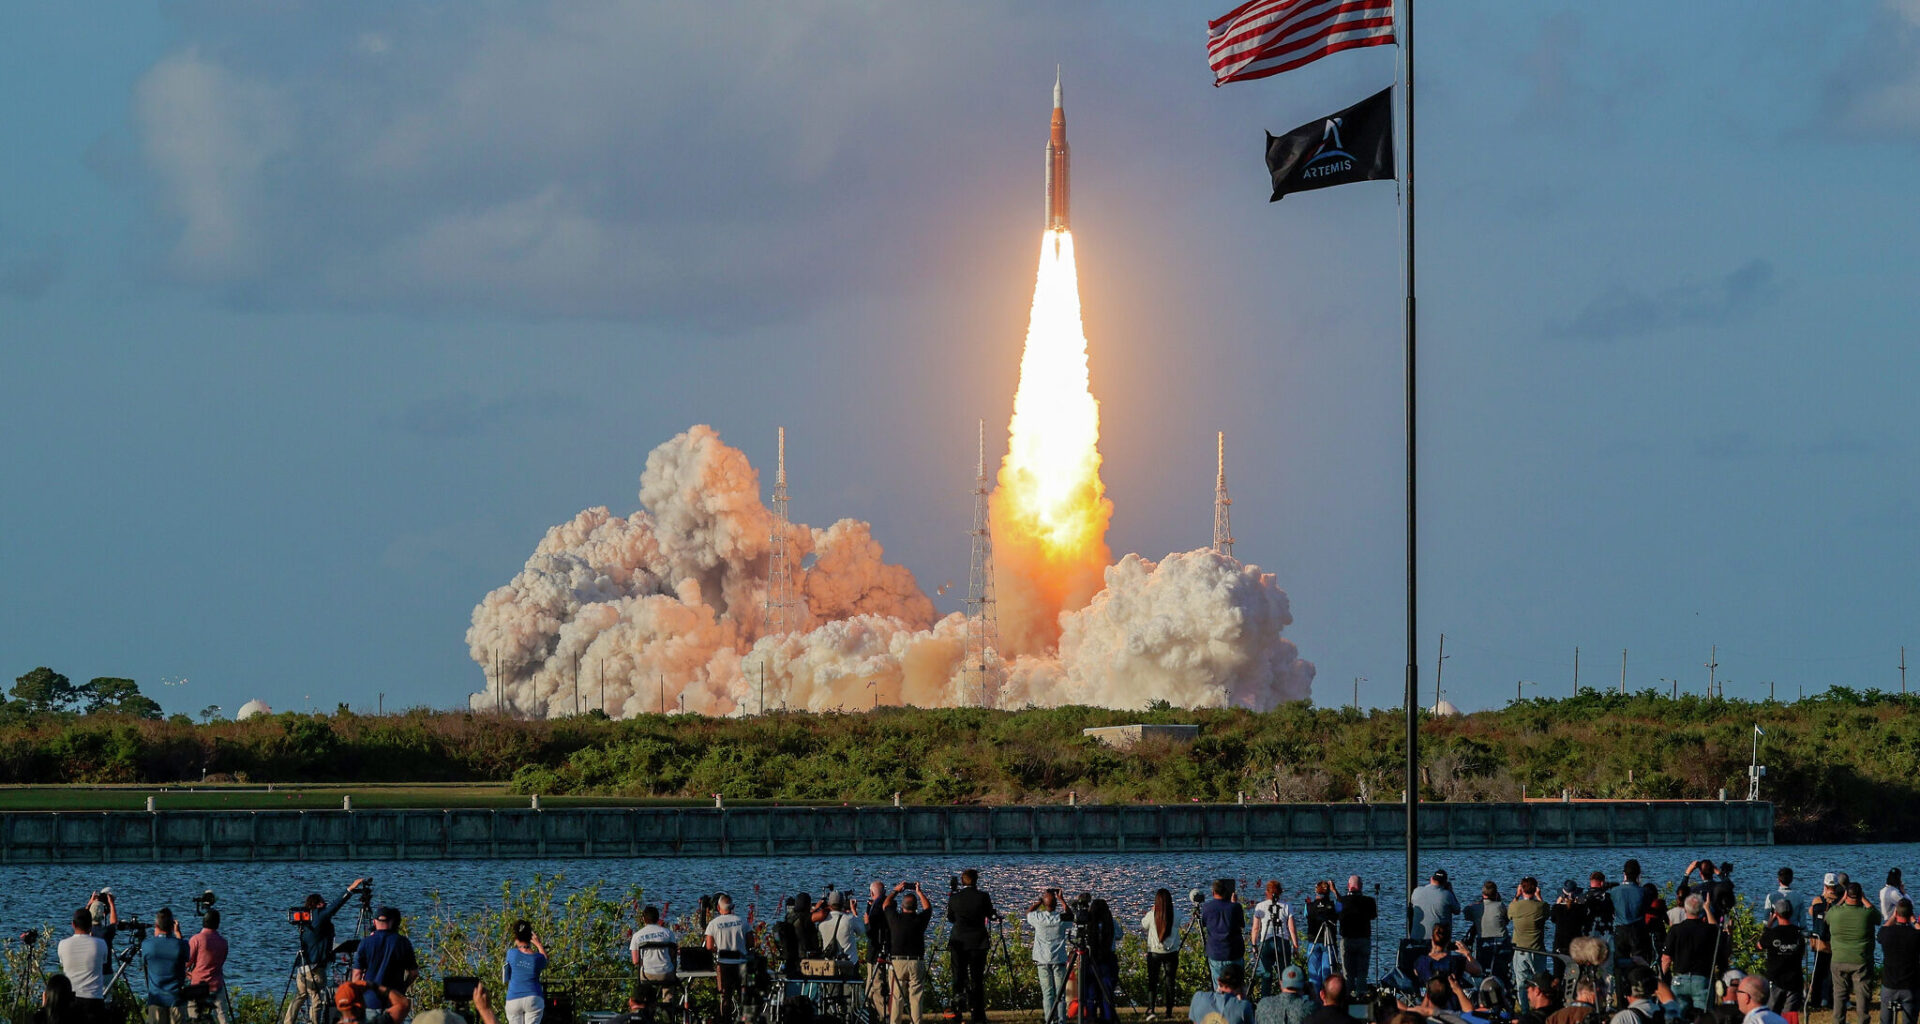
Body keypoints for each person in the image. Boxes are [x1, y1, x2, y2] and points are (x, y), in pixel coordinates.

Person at [286, 878, 370, 1024]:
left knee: (300, 996)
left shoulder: (307, 920)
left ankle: (287, 1022)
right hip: (315, 968)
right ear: (317, 904)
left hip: (302, 966)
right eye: (322, 902)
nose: (324, 904)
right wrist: (351, 888)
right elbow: (336, 905)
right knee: (317, 999)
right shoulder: (319, 915)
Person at [354, 907, 420, 1024]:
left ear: (374, 922)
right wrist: (403, 987)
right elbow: (414, 973)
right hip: (394, 1000)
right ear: (392, 922)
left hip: (370, 1000)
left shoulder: (365, 942)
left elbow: (357, 975)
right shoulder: (402, 942)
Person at [1829, 881, 1883, 1024]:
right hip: (1861, 960)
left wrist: (1841, 899)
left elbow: (1828, 916)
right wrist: (1865, 899)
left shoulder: (1835, 913)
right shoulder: (1867, 914)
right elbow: (1879, 918)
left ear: (1846, 895)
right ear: (1860, 896)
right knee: (1862, 995)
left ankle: (1838, 1021)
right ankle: (1863, 1021)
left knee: (1839, 994)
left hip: (1839, 959)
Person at [948, 869, 997, 1024]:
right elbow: (990, 914)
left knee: (958, 977)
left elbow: (950, 918)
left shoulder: (955, 898)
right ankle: (978, 1014)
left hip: (959, 942)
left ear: (962, 881)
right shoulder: (983, 897)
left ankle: (956, 1011)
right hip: (978, 942)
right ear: (976, 880)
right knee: (977, 979)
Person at [882, 883, 933, 1024]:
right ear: (915, 907)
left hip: (897, 962)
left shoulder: (895, 919)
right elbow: (928, 908)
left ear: (902, 906)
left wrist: (896, 891)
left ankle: (895, 1022)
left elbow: (885, 905)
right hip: (916, 961)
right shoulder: (920, 920)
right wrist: (919, 892)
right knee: (916, 997)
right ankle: (916, 1022)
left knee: (897, 996)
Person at [1663, 896, 1719, 1014]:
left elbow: (1666, 958)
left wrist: (1662, 978)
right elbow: (1717, 931)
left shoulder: (1675, 930)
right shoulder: (1709, 930)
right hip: (1701, 979)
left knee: (1678, 1017)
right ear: (1701, 911)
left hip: (1679, 979)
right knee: (1704, 1018)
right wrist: (1707, 909)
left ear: (1684, 909)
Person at [704, 894, 753, 1024]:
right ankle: (745, 1019)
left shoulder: (713, 924)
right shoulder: (743, 922)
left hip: (724, 965)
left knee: (725, 996)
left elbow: (709, 946)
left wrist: (718, 949)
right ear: (733, 907)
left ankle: (726, 1020)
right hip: (741, 964)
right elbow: (751, 944)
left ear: (719, 908)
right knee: (743, 995)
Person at [1411, 924, 1482, 1011]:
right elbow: (1478, 970)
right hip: (1453, 1007)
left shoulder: (1421, 962)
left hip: (1430, 1006)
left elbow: (1416, 972)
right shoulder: (1456, 961)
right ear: (1448, 941)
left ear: (1432, 939)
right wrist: (1467, 953)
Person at [57, 909, 110, 1024]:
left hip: (70, 999)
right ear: (90, 925)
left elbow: (63, 963)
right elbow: (103, 962)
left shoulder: (62, 944)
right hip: (94, 1000)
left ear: (73, 924)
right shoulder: (101, 944)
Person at [1757, 899, 1805, 1018]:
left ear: (1776, 914)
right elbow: (1801, 953)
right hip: (1795, 981)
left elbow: (1759, 945)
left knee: (1771, 1016)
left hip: (1776, 981)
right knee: (1789, 1016)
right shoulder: (1798, 935)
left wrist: (1770, 922)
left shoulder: (1772, 933)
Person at [1142, 888, 1184, 1023]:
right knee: (1170, 982)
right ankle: (1169, 1011)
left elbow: (1144, 925)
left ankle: (1151, 1008)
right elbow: (1178, 923)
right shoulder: (1176, 914)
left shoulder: (1152, 914)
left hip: (1154, 952)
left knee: (1153, 981)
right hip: (1171, 952)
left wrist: (1151, 910)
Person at [627, 905, 676, 1020]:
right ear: (658, 918)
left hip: (647, 975)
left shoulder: (637, 936)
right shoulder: (668, 933)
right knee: (668, 995)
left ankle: (645, 1015)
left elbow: (635, 961)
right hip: (666, 973)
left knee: (644, 990)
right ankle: (668, 1016)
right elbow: (673, 954)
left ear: (644, 919)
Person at [143, 909, 190, 1024]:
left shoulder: (147, 945)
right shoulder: (181, 945)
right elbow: (186, 957)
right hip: (176, 999)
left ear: (156, 925)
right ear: (172, 926)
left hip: (156, 999)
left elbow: (144, 961)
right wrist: (178, 933)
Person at [1030, 890, 1070, 1024]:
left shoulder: (1038, 918)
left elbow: (1028, 913)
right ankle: (1061, 1020)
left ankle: (1049, 1020)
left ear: (1045, 904)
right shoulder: (1061, 919)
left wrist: (1039, 902)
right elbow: (1070, 916)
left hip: (1042, 960)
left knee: (1047, 993)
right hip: (1058, 959)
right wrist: (1062, 900)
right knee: (1060, 993)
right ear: (1055, 904)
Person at [1252, 882, 1298, 996]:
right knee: (1284, 975)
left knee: (1266, 975)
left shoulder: (1260, 906)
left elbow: (1255, 928)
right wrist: (1295, 947)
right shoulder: (1287, 906)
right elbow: (1291, 929)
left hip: (1266, 942)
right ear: (1280, 892)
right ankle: (1286, 998)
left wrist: (1254, 945)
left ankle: (1265, 1000)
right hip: (1282, 941)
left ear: (1267, 892)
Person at [185, 908, 229, 1024]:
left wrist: (189, 973)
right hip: (216, 985)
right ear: (217, 924)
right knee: (222, 1015)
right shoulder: (223, 942)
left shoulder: (196, 939)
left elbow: (187, 962)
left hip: (198, 986)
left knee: (193, 1016)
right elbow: (221, 962)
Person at [1200, 880, 1247, 988]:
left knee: (1219, 987)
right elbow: (1241, 924)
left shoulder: (1207, 907)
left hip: (1215, 952)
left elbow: (1204, 923)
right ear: (1227, 892)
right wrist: (1234, 903)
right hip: (1233, 952)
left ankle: (1221, 1003)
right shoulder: (1235, 907)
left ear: (1213, 892)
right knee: (1237, 986)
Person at [1880, 899, 1919, 1024]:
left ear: (1896, 913)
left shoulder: (1886, 933)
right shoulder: (1915, 935)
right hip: (1910, 986)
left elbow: (1882, 929)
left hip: (1889, 985)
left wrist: (1892, 917)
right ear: (1910, 914)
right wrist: (1914, 921)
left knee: (1885, 1021)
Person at [1510, 877, 1550, 998]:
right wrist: (1539, 896)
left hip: (1520, 950)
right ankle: (1540, 1006)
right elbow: (1547, 911)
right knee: (1540, 982)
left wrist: (1517, 896)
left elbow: (1509, 914)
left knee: (1521, 983)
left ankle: (1524, 1010)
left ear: (1522, 889)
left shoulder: (1515, 906)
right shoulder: (1541, 906)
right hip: (1537, 950)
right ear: (1536, 889)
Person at [502, 921, 547, 1024]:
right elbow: (545, 960)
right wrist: (539, 944)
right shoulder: (538, 958)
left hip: (514, 998)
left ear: (515, 936)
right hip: (533, 997)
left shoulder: (511, 954)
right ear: (530, 936)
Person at [1338, 876, 1376, 987]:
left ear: (1348, 886)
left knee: (1347, 973)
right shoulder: (1369, 901)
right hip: (1363, 939)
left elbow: (1337, 915)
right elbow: (1373, 915)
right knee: (1362, 974)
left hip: (1347, 940)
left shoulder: (1342, 901)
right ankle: (1361, 996)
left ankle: (1348, 997)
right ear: (1361, 887)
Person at [1303, 882, 1339, 990]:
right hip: (1329, 943)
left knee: (1314, 977)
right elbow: (1342, 906)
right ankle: (1328, 999)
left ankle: (1316, 1000)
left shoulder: (1309, 907)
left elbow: (1306, 914)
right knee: (1328, 975)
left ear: (1316, 892)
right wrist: (1335, 891)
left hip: (1313, 941)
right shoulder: (1334, 905)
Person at [1188, 963, 1253, 1024]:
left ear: (1219, 981)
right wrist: (1242, 998)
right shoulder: (1243, 1007)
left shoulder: (1198, 997)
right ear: (1241, 986)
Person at [1812, 875, 1841, 1010]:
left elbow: (1811, 911)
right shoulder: (1840, 903)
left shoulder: (1817, 900)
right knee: (1832, 974)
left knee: (1817, 973)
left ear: (1825, 886)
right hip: (1834, 944)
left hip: (1819, 944)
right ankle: (1829, 1000)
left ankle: (1815, 1000)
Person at [1467, 881, 1509, 971]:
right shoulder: (1500, 906)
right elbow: (1506, 919)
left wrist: (1480, 902)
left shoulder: (1475, 908)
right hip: (1501, 941)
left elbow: (1466, 912)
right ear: (1496, 894)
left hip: (1483, 943)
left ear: (1483, 894)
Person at [1612, 862, 1648, 967]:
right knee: (1639, 962)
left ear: (1624, 874)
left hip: (1620, 929)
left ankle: (1621, 981)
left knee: (1619, 962)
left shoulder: (1614, 891)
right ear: (1638, 874)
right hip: (1637, 930)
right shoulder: (1643, 892)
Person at [781, 892, 823, 978]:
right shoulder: (805, 918)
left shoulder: (789, 916)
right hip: (805, 958)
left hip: (792, 958)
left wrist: (814, 909)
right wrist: (829, 907)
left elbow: (803, 916)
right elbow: (822, 915)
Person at [1411, 870, 1460, 940]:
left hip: (1416, 939)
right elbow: (1457, 910)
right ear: (1445, 882)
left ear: (1431, 878)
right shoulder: (1447, 895)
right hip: (1438, 940)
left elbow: (1412, 903)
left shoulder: (1416, 891)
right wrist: (1451, 891)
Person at [820, 891, 867, 962]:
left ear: (829, 904)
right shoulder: (849, 919)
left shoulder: (822, 922)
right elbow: (861, 931)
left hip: (829, 964)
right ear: (843, 903)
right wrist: (854, 911)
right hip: (849, 962)